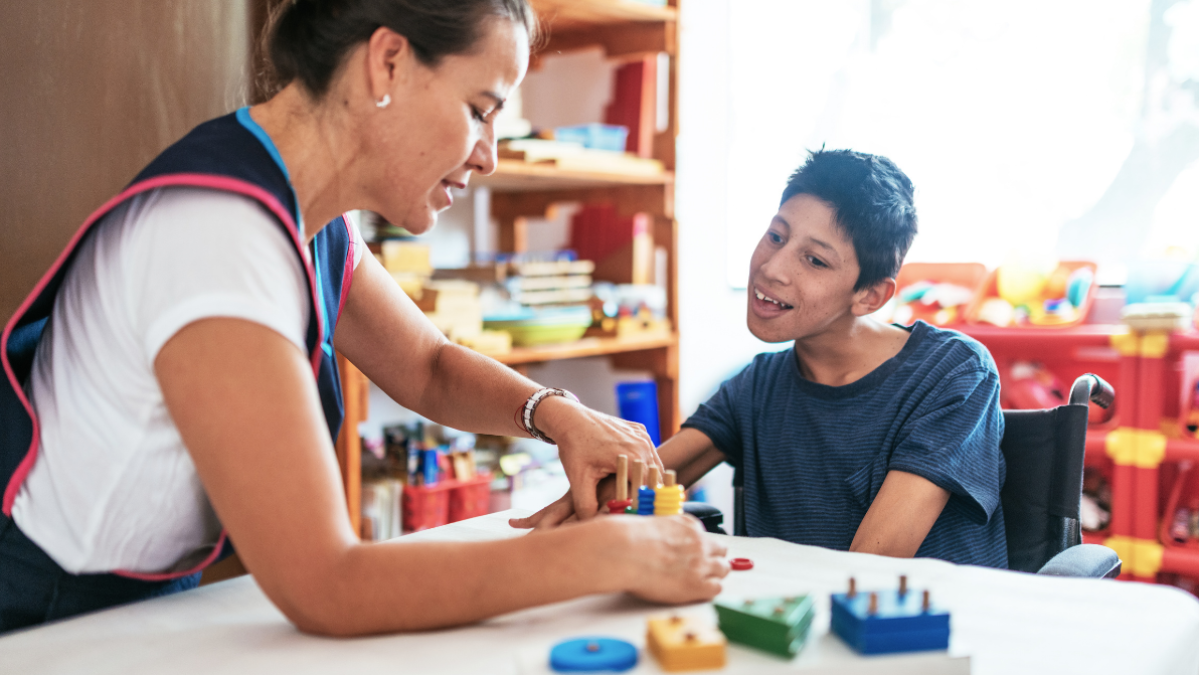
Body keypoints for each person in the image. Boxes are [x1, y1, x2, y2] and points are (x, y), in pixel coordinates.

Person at [0, 0, 728, 636]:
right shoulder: (215, 236)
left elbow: (427, 365)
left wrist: (555, 412)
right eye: (479, 108)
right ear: (387, 62)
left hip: (143, 599)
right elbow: (325, 584)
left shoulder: (310, 215)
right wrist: (595, 557)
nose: (489, 156)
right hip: (44, 614)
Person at [516, 149, 1009, 569]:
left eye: (814, 260)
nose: (771, 269)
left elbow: (870, 565)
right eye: (776, 236)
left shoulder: (954, 374)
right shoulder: (758, 385)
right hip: (779, 629)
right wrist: (562, 517)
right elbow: (636, 485)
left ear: (871, 295)